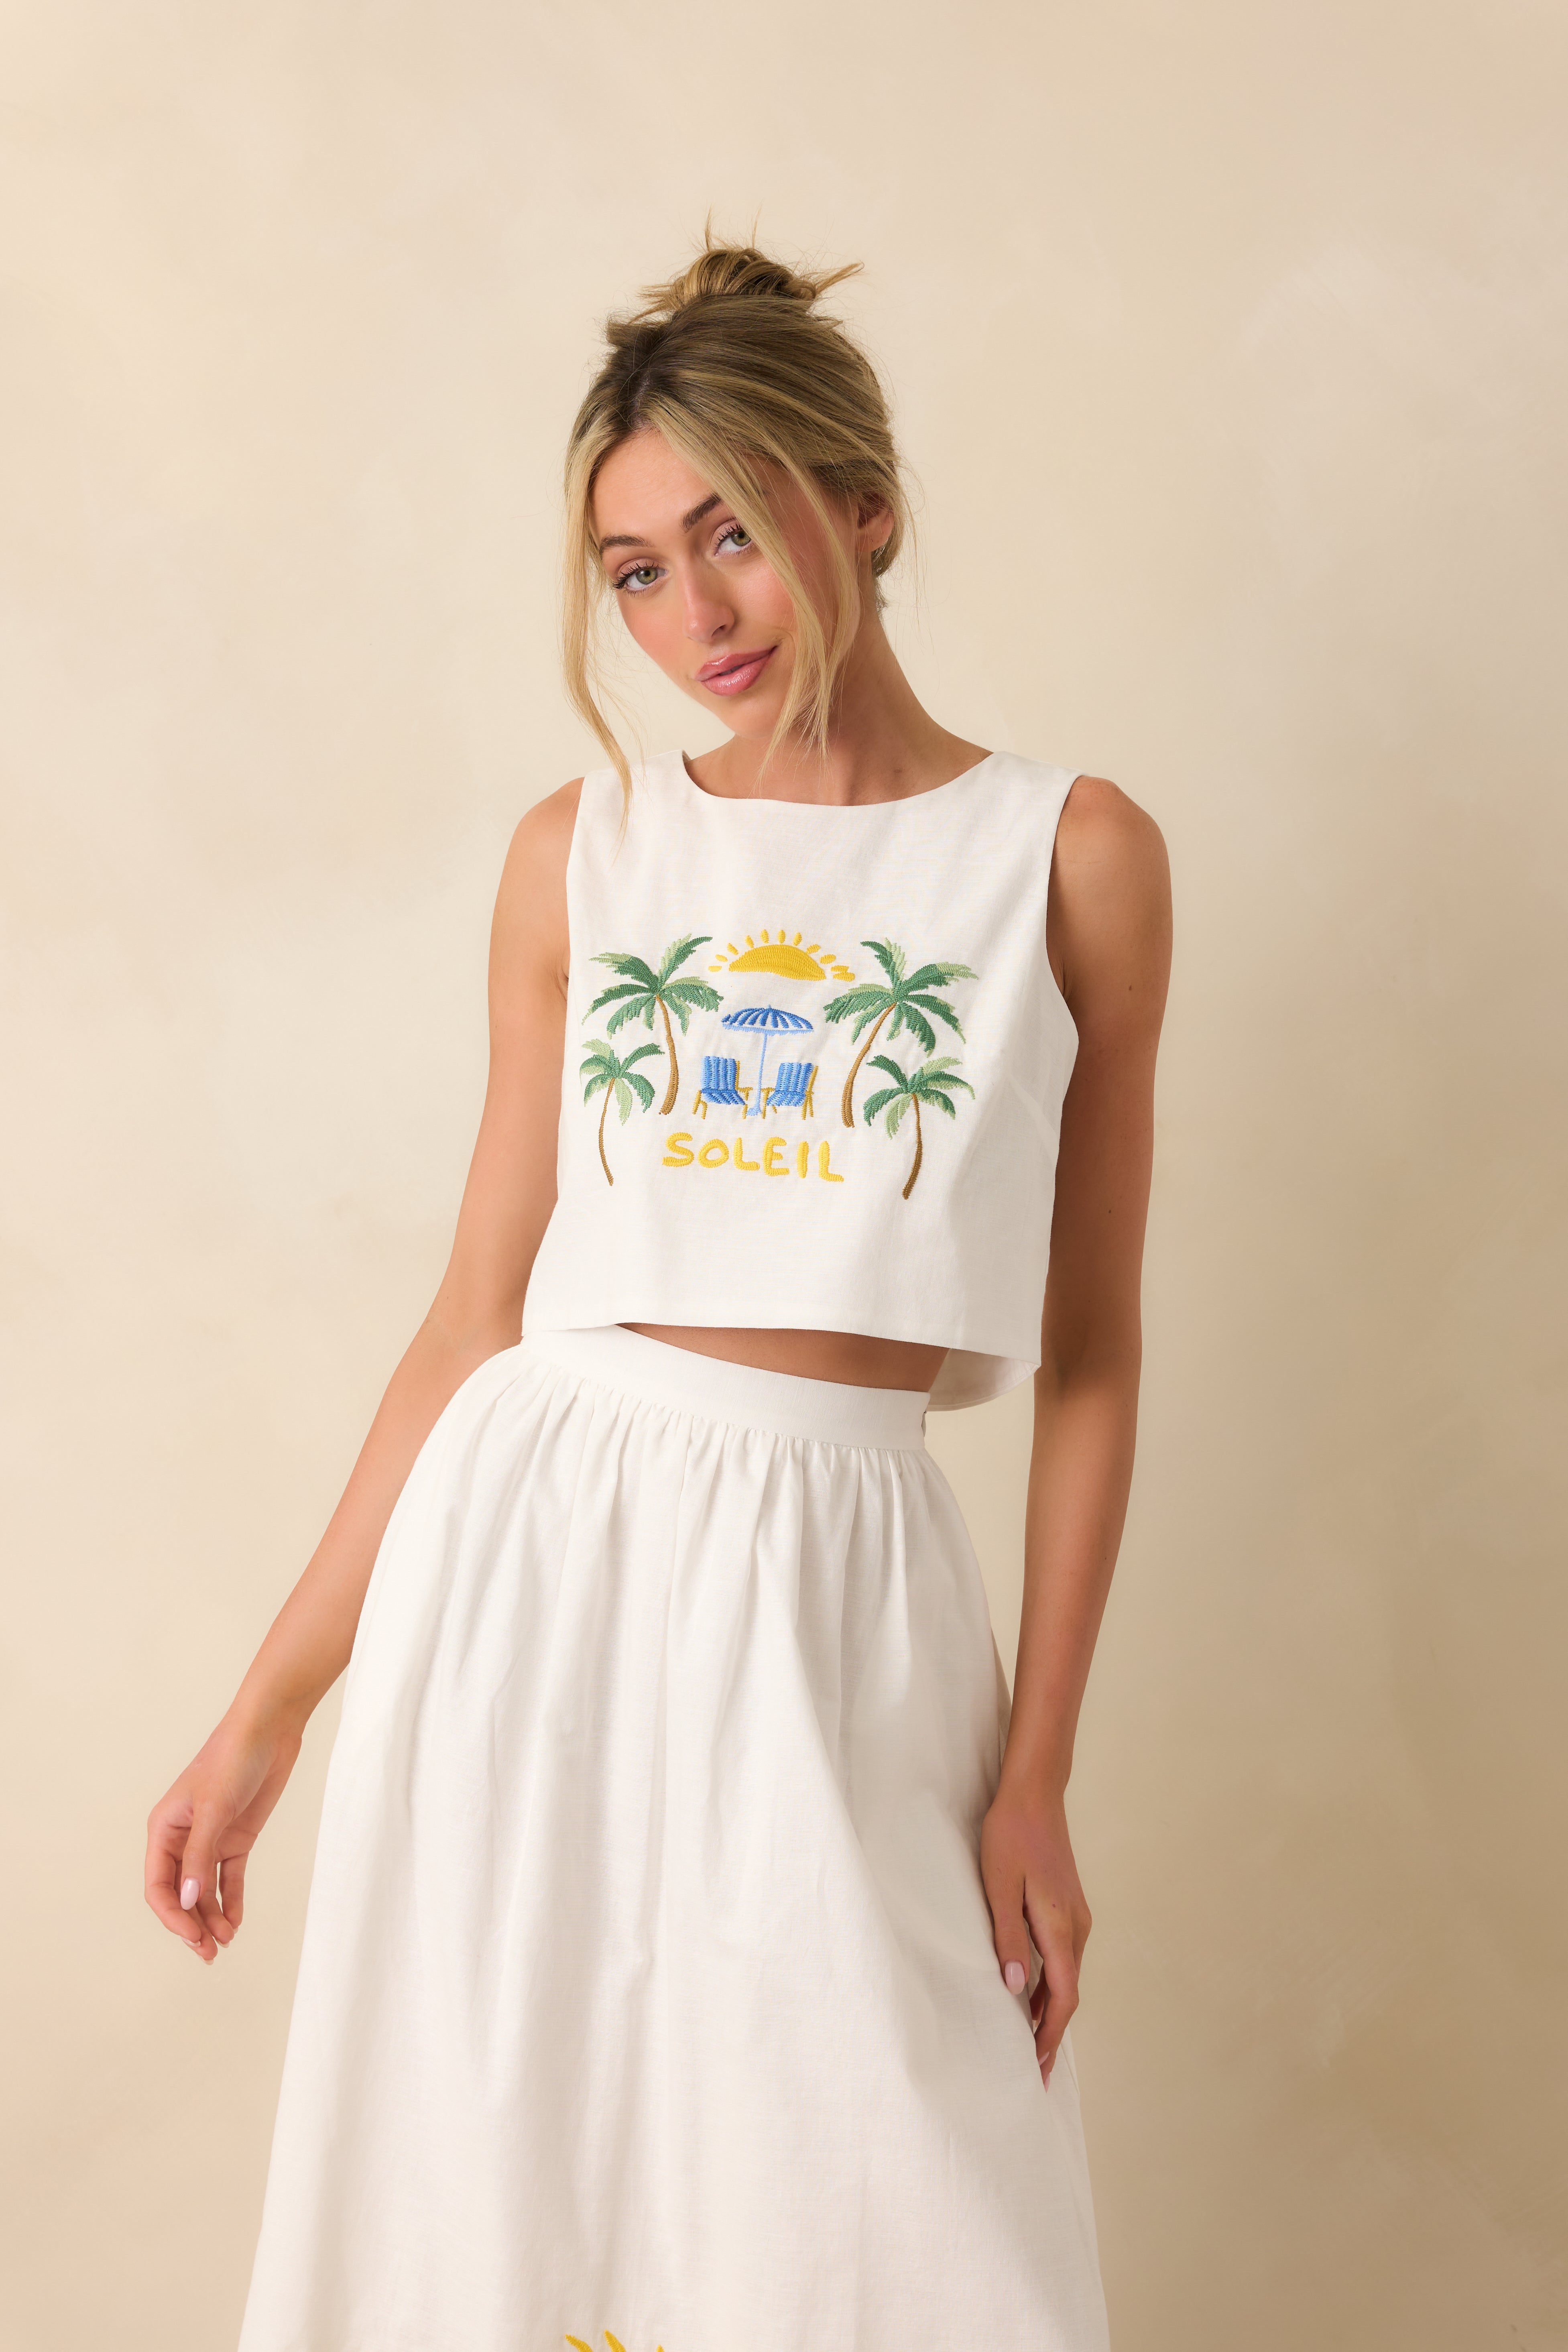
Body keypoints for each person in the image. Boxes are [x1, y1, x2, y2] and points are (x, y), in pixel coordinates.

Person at [145, 236, 1172, 2352]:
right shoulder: (582, 856)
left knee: (890, 2206)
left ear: (860, 508)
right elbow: (471, 1321)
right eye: (632, 571)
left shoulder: (1065, 857)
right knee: (518, 2179)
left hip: (848, 1591)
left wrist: (1035, 1771)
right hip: (536, 1563)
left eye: (733, 534)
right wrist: (265, 1714)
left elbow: (1094, 1358)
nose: (694, 615)